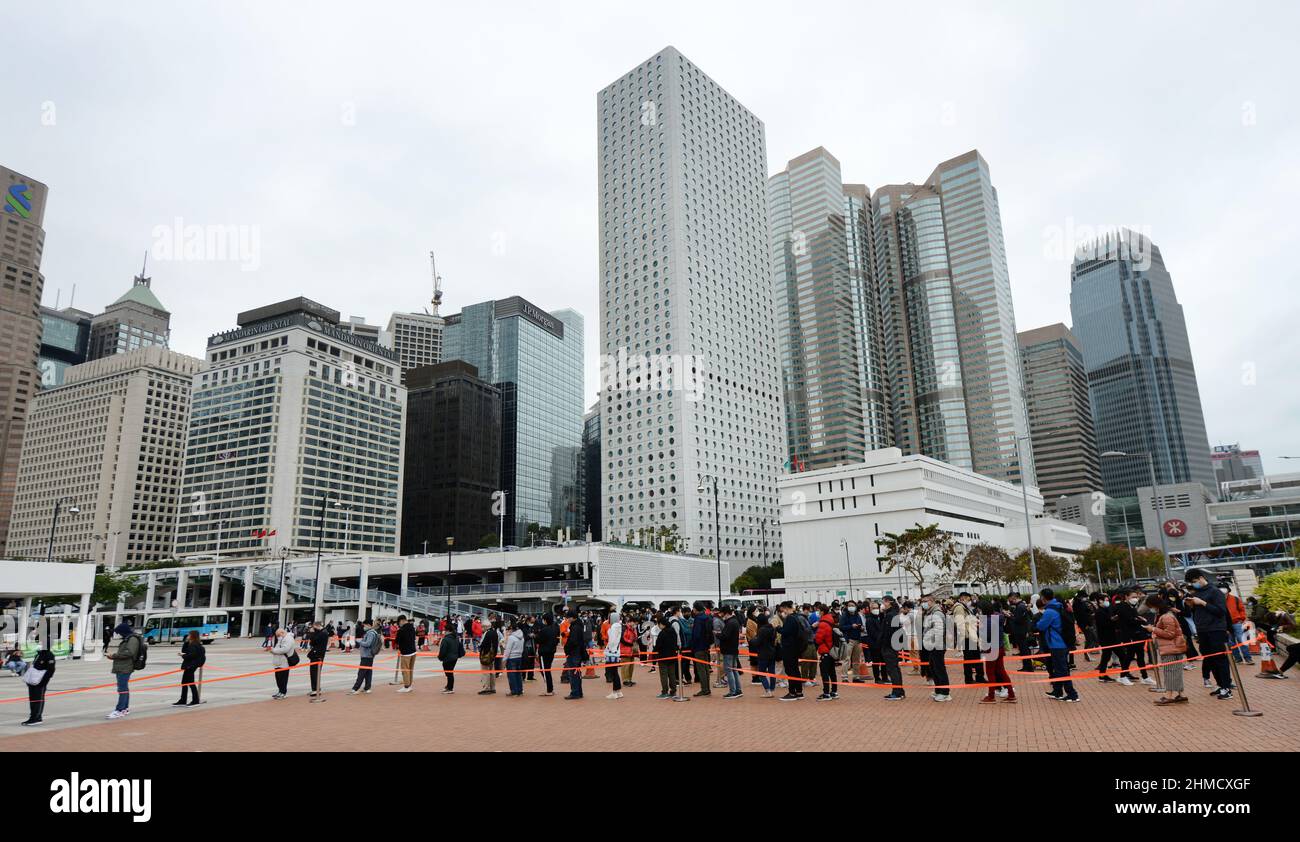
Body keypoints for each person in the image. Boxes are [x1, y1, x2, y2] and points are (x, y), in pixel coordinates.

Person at [1183, 569, 1234, 699]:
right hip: (1202, 630)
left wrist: (1203, 603)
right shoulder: (1197, 592)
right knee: (1210, 658)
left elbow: (1220, 611)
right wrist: (1192, 605)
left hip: (1216, 629)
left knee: (1220, 658)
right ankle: (1220, 685)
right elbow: (1196, 612)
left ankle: (1227, 687)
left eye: (1194, 581)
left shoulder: (1215, 591)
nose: (1194, 584)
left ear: (1201, 578)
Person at [1141, 595, 1188, 705]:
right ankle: (1181, 695)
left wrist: (1153, 629)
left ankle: (1169, 696)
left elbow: (1169, 634)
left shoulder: (1166, 616)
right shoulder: (1166, 615)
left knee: (1169, 672)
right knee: (1176, 672)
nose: (1150, 609)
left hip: (1169, 648)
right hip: (1174, 647)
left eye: (1151, 606)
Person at [1036, 589, 1079, 703]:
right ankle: (1057, 691)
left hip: (1057, 644)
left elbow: (1040, 626)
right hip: (1063, 642)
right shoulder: (1060, 606)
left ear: (1044, 598)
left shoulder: (1050, 611)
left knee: (1062, 669)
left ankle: (1072, 694)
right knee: (1060, 668)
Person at [1114, 588, 1154, 686]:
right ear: (1126, 597)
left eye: (1136, 597)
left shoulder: (1132, 606)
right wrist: (1141, 620)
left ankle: (1144, 677)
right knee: (1130, 655)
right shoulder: (1122, 606)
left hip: (1137, 634)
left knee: (1140, 655)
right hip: (1129, 635)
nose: (1135, 599)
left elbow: (1135, 618)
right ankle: (1122, 676)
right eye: (1133, 597)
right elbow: (1130, 620)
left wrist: (1139, 620)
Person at [979, 600, 1015, 703]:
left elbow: (986, 636)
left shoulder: (988, 621)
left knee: (990, 673)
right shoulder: (998, 617)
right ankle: (1011, 694)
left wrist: (979, 629)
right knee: (1001, 671)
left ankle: (991, 696)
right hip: (999, 647)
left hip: (991, 648)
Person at [106, 622, 141, 719]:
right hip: (122, 666)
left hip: (125, 667)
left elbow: (129, 653)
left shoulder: (132, 639)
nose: (119, 634)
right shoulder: (128, 638)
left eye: (120, 632)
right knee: (124, 688)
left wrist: (114, 656)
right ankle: (124, 708)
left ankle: (120, 709)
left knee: (122, 689)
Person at [919, 595, 951, 702]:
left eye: (925, 601)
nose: (923, 603)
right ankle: (938, 690)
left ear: (931, 601)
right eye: (922, 601)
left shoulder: (937, 613)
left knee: (939, 668)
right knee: (933, 667)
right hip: (932, 645)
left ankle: (945, 692)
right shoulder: (930, 613)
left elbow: (938, 631)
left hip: (937, 645)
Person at [951, 592, 985, 684]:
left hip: (971, 636)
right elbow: (960, 624)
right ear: (963, 598)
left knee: (975, 658)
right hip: (968, 637)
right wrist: (966, 636)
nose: (970, 601)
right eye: (969, 599)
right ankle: (969, 678)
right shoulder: (959, 608)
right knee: (969, 659)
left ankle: (979, 677)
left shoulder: (964, 608)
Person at [778, 601, 807, 701]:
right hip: (795, 648)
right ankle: (799, 691)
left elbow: (786, 632)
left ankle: (792, 692)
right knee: (795, 670)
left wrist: (778, 628)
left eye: (782, 609)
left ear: (786, 608)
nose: (782, 611)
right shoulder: (797, 617)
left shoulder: (790, 618)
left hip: (789, 648)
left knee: (790, 670)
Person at [19, 648, 55, 726]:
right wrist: (29, 681)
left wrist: (43, 682)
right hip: (33, 682)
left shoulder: (49, 655)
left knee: (38, 700)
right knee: (32, 700)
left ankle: (37, 718)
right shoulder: (38, 654)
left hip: (41, 682)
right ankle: (32, 716)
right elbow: (34, 668)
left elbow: (51, 670)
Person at [878, 597, 905, 700]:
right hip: (893, 645)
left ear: (889, 602)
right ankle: (899, 691)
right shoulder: (892, 614)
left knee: (892, 669)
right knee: (895, 669)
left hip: (889, 646)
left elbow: (888, 632)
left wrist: (883, 644)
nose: (883, 604)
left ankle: (897, 692)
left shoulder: (890, 615)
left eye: (884, 602)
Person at [1222, 584, 1253, 665]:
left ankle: (1248, 658)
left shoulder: (1235, 599)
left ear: (1228, 590)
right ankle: (1238, 659)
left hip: (1237, 623)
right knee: (1231, 643)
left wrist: (1242, 618)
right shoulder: (1217, 600)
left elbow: (1241, 609)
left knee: (1242, 640)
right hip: (1225, 625)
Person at [174, 630, 206, 707]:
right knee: (185, 682)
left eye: (189, 635)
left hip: (190, 666)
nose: (187, 636)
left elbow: (191, 655)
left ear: (192, 636)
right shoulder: (194, 644)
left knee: (190, 683)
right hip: (191, 665)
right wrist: (186, 642)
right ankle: (183, 700)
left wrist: (183, 656)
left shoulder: (194, 645)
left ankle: (195, 700)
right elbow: (185, 650)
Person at [652, 612, 679, 698]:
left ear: (662, 624)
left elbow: (658, 645)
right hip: (672, 655)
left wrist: (654, 650)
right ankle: (673, 691)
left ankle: (665, 691)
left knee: (664, 674)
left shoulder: (662, 633)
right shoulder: (673, 631)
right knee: (672, 674)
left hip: (663, 656)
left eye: (659, 624)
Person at [814, 607, 839, 701]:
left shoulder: (823, 623)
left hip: (825, 650)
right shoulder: (831, 621)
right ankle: (834, 691)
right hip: (832, 650)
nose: (818, 613)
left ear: (822, 612)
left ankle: (826, 693)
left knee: (824, 673)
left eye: (819, 611)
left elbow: (818, 639)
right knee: (832, 672)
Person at [691, 603, 714, 697]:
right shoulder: (707, 617)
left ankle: (704, 689)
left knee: (701, 669)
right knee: (705, 668)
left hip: (699, 647)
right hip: (706, 645)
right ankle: (707, 688)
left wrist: (692, 644)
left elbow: (696, 634)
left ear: (696, 609)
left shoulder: (698, 619)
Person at [1008, 593, 1035, 672]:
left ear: (1014, 597)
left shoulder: (1020, 606)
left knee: (1024, 650)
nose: (1010, 601)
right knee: (1024, 650)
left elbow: (1018, 620)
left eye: (1011, 599)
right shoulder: (1021, 606)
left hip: (1021, 632)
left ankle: (1028, 667)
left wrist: (1010, 616)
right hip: (1022, 631)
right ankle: (1027, 666)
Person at [839, 600, 865, 682]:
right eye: (849, 605)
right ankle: (844, 677)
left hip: (857, 639)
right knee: (846, 659)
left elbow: (861, 625)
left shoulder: (858, 616)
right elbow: (841, 627)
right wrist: (851, 626)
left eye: (853, 605)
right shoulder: (844, 616)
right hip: (849, 640)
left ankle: (856, 677)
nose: (851, 607)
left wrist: (861, 628)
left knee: (856, 660)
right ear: (847, 607)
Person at [563, 610, 585, 699]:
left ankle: (575, 692)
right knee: (577, 673)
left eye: (568, 617)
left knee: (573, 674)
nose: (567, 619)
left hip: (574, 653)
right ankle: (578, 692)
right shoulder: (578, 625)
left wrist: (567, 649)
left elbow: (573, 641)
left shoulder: (575, 627)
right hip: (577, 652)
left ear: (572, 617)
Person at [603, 611, 625, 699]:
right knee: (615, 672)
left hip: (612, 652)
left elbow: (612, 640)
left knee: (613, 672)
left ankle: (615, 692)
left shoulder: (614, 627)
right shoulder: (618, 626)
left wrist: (610, 649)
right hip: (615, 651)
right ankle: (618, 691)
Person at [438, 620, 463, 693]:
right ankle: (448, 686)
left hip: (448, 658)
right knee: (449, 673)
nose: (443, 631)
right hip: (454, 657)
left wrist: (440, 657)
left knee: (449, 673)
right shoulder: (455, 637)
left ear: (447, 630)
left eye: (444, 630)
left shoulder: (446, 639)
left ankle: (450, 688)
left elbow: (443, 650)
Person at [270, 627, 295, 699]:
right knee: (278, 678)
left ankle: (283, 692)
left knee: (283, 678)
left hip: (284, 662)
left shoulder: (288, 639)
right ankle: (280, 691)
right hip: (278, 662)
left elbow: (285, 650)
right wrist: (274, 650)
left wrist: (274, 651)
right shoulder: (281, 639)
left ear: (282, 633)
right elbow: (278, 648)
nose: (278, 637)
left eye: (278, 635)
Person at [478, 617, 501, 695]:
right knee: (491, 672)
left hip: (486, 655)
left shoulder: (487, 633)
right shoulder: (495, 632)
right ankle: (492, 688)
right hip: (492, 655)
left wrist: (480, 648)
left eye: (482, 627)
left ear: (485, 626)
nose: (482, 628)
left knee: (485, 672)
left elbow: (483, 644)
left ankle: (486, 688)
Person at [395, 615, 417, 693]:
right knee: (410, 670)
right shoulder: (412, 627)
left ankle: (406, 686)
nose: (399, 624)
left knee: (405, 670)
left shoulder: (401, 630)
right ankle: (410, 685)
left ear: (401, 621)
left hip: (405, 653)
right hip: (413, 651)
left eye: (399, 623)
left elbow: (397, 641)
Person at [503, 619, 526, 697]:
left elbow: (507, 650)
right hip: (519, 657)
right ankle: (519, 690)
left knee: (511, 675)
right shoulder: (522, 637)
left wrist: (504, 660)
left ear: (511, 629)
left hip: (511, 658)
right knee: (518, 675)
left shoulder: (511, 638)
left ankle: (514, 691)